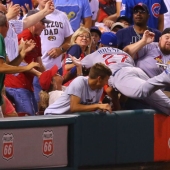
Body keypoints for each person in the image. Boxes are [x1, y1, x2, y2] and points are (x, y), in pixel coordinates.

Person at [71, 31, 170, 115]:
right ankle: (166, 75)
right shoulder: (122, 52)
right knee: (167, 105)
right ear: (116, 45)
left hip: (119, 74)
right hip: (137, 71)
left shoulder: (95, 54)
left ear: (100, 45)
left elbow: (77, 65)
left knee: (142, 91)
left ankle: (166, 75)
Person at [5, 9, 50, 116]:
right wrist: (38, 74)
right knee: (28, 117)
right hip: (16, 84)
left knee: (34, 115)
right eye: (42, 23)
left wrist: (48, 75)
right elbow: (14, 62)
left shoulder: (37, 38)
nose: (45, 27)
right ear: (35, 22)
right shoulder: (23, 35)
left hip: (26, 84)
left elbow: (38, 62)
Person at [0, 12, 40, 118]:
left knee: (12, 116)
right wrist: (26, 67)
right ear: (7, 25)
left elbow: (8, 65)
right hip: (15, 86)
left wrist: (22, 54)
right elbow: (1, 67)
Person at [44, 63, 112, 115]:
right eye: (106, 80)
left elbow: (92, 108)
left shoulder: (99, 88)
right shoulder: (79, 82)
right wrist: (98, 106)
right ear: (99, 79)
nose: (107, 83)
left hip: (68, 118)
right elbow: (74, 107)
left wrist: (101, 108)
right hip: (53, 115)